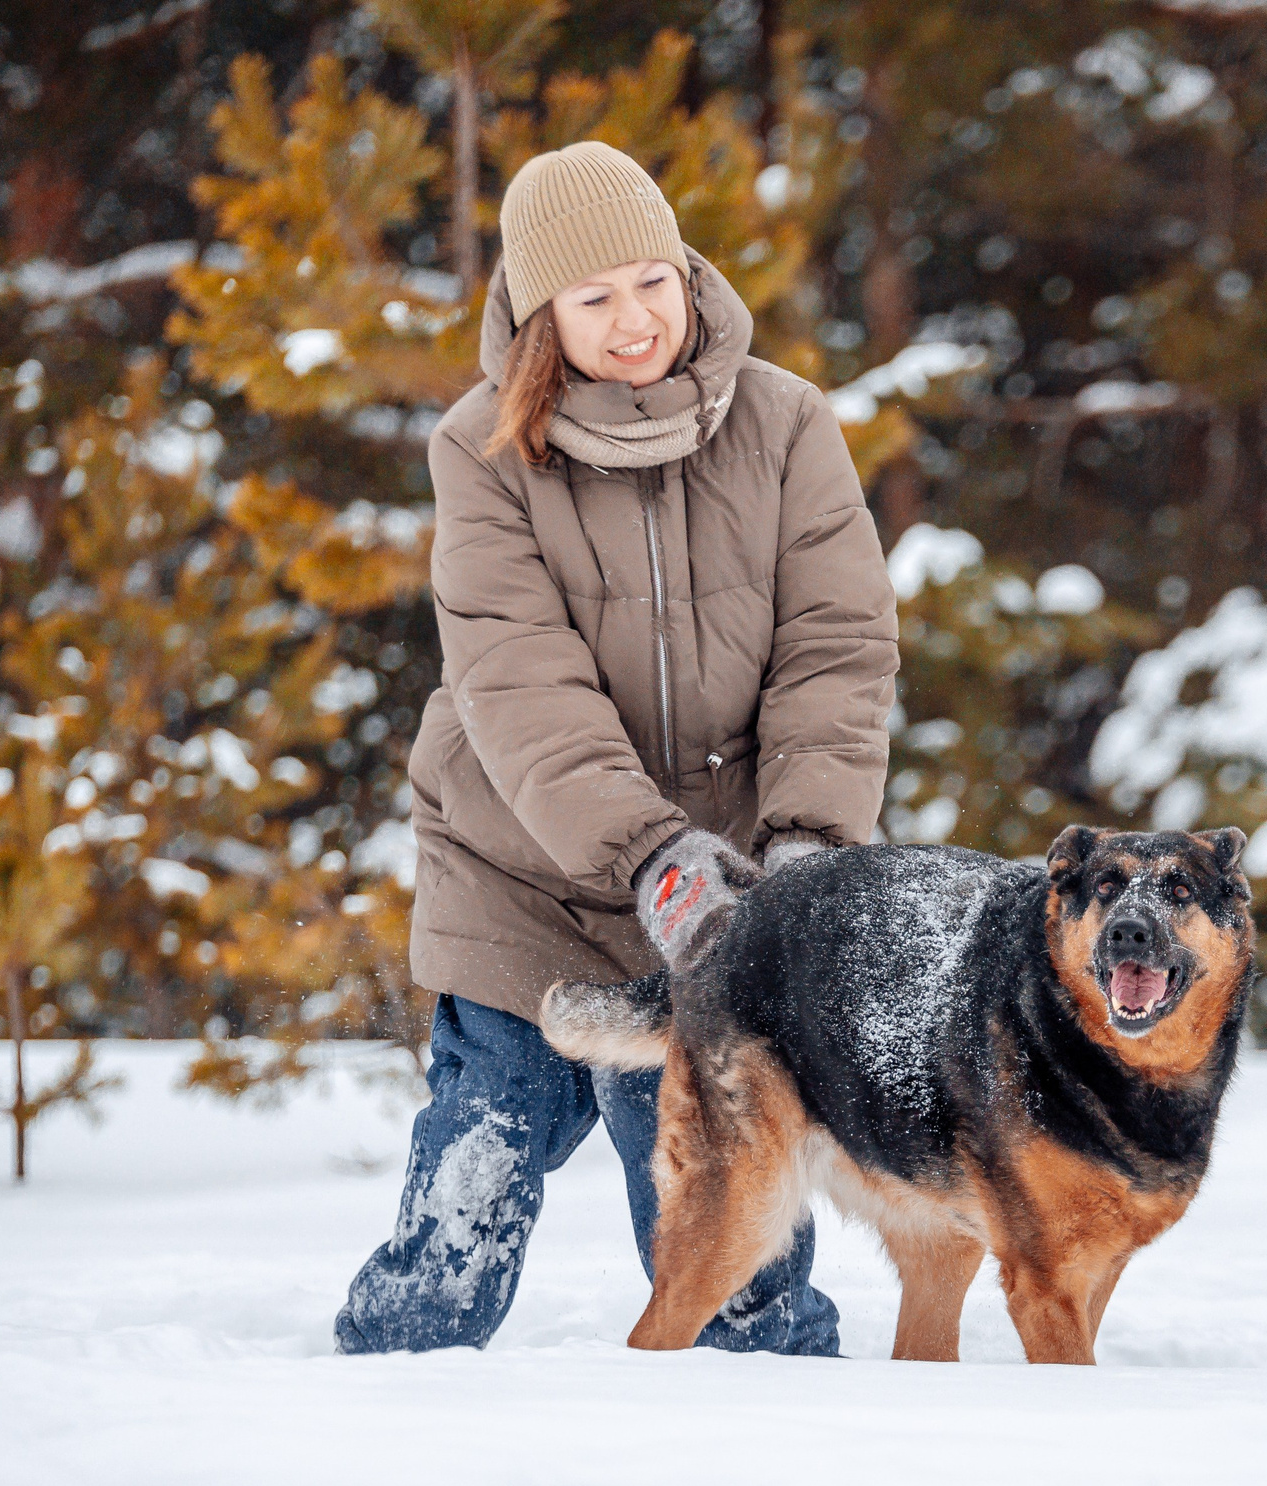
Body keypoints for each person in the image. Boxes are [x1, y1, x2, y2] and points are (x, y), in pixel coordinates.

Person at [335, 142, 896, 1356]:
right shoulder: (481, 447)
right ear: (542, 315)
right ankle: (376, 1417)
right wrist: (644, 847)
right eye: (593, 299)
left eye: (652, 281)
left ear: (688, 271)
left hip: (718, 906)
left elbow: (835, 651)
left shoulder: (788, 423)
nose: (633, 320)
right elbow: (515, 676)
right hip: (521, 875)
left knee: (733, 1250)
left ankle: (798, 1462)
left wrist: (807, 843)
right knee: (461, 1220)